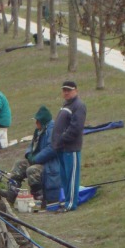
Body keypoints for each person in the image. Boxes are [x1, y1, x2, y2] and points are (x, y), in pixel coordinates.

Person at [0, 106, 61, 207]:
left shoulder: (52, 130)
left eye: (37, 121)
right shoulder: (39, 130)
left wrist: (36, 158)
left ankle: (39, 198)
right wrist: (28, 154)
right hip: (38, 160)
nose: (35, 124)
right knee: (19, 164)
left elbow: (52, 149)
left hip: (49, 164)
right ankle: (11, 193)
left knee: (32, 170)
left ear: (42, 121)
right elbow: (32, 145)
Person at [51, 80, 86, 212]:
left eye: (69, 90)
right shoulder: (66, 105)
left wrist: (62, 139)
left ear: (76, 90)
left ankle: (71, 204)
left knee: (72, 177)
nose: (66, 92)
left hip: (71, 148)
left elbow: (75, 128)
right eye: (64, 90)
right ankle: (66, 201)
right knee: (65, 177)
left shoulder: (79, 105)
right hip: (61, 148)